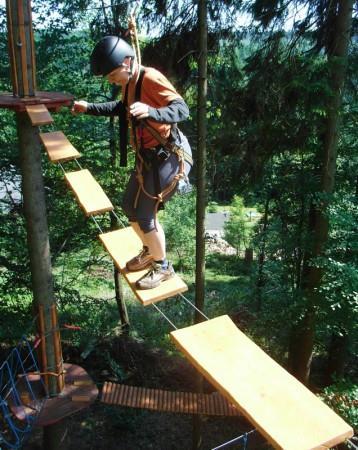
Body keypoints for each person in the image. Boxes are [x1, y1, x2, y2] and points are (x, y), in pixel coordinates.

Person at [72, 36, 192, 290]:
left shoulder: (150, 78)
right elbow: (122, 107)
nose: (113, 81)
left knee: (146, 216)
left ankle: (163, 267)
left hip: (167, 155)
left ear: (128, 62)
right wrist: (88, 108)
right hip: (147, 157)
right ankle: (150, 251)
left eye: (114, 76)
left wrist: (152, 112)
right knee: (129, 206)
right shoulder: (129, 82)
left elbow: (181, 109)